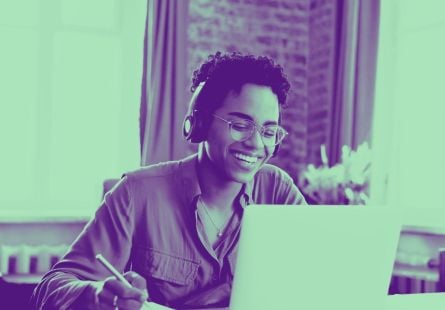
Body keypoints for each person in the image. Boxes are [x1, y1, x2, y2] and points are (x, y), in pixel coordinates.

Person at [32, 51, 307, 309]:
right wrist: (98, 295)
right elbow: (51, 287)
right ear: (199, 124)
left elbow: (314, 271)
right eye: (240, 125)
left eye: (269, 131)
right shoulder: (137, 193)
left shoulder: (277, 192)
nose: (256, 144)